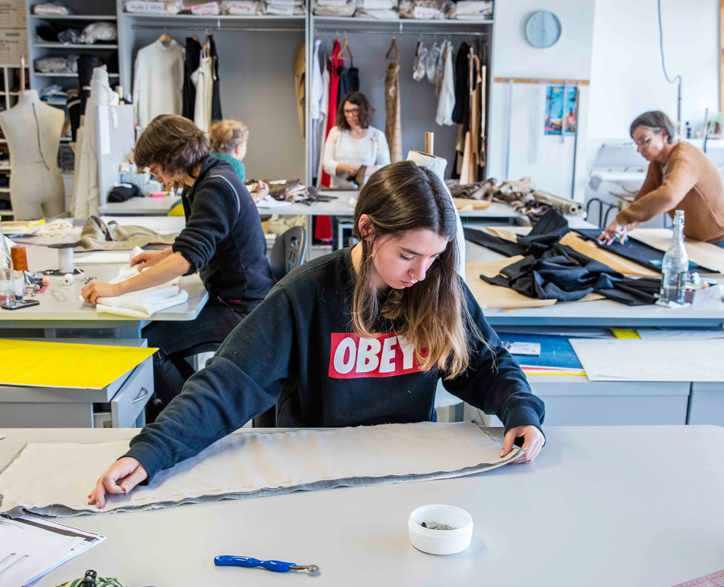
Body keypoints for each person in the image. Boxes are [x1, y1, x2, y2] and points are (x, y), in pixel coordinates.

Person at [88, 160, 547, 507]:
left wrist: (520, 411)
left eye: (434, 257)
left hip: (405, 470)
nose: (422, 273)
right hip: (315, 477)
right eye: (409, 254)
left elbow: (485, 363)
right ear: (366, 228)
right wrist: (151, 451)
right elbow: (229, 382)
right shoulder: (305, 295)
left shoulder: (438, 285)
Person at [82, 114, 274, 416]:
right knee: (155, 337)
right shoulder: (206, 177)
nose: (154, 176)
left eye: (155, 167)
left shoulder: (215, 186)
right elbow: (200, 239)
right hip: (233, 296)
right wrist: (163, 255)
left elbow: (187, 260)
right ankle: (190, 405)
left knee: (147, 346)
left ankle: (194, 417)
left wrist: (116, 289)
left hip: (243, 308)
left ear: (173, 157)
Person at [600, 110, 724, 256]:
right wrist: (623, 228)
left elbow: (668, 195)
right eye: (636, 144)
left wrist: (622, 219)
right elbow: (643, 199)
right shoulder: (657, 164)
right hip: (697, 240)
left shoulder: (684, 156)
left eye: (645, 141)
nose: (639, 149)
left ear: (664, 135)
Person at [169, 119, 248, 216]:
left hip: (179, 207)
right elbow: (236, 201)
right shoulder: (236, 165)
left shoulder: (206, 157)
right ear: (238, 148)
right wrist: (258, 196)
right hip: (201, 212)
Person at [321, 91, 390, 189]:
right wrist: (343, 167)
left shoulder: (377, 136)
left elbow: (386, 166)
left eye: (354, 111)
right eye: (347, 111)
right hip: (338, 191)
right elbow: (326, 164)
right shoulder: (336, 133)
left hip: (366, 193)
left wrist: (369, 170)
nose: (350, 115)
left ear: (363, 111)